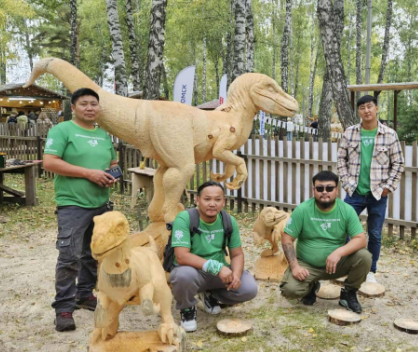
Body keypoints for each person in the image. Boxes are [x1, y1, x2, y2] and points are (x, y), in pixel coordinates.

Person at [43, 88, 118, 332]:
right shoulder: (62, 130)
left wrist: (112, 175)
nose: (89, 108)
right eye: (84, 104)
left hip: (100, 203)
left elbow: (113, 163)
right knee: (69, 256)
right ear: (73, 108)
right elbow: (50, 162)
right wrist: (89, 173)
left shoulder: (104, 135)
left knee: (93, 253)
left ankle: (85, 294)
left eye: (93, 104)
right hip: (72, 204)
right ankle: (63, 307)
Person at [169, 181, 258, 332]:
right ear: (197, 200)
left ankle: (210, 294)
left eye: (217, 199)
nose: (212, 204)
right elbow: (181, 256)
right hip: (193, 271)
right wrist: (216, 267)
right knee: (183, 276)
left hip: (219, 274)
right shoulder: (184, 219)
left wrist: (236, 275)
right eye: (207, 199)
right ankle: (187, 309)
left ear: (223, 202)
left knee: (249, 288)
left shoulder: (228, 221)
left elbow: (237, 254)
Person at [279, 171, 371, 314]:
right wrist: (295, 266)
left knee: (364, 257)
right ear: (313, 190)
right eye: (319, 188)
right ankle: (310, 287)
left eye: (329, 188)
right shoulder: (303, 209)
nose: (324, 192)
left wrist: (338, 252)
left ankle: (349, 293)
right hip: (307, 265)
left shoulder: (347, 210)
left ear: (336, 190)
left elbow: (360, 239)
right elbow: (286, 239)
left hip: (336, 264)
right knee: (290, 290)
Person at [337, 95, 404, 284]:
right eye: (362, 108)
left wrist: (388, 187)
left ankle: (370, 271)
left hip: (378, 193)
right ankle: (349, 264)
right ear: (358, 112)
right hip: (355, 192)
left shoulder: (389, 134)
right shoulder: (350, 133)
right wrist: (347, 183)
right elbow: (341, 159)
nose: (366, 111)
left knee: (374, 233)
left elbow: (398, 163)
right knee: (343, 228)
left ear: (376, 109)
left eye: (369, 107)